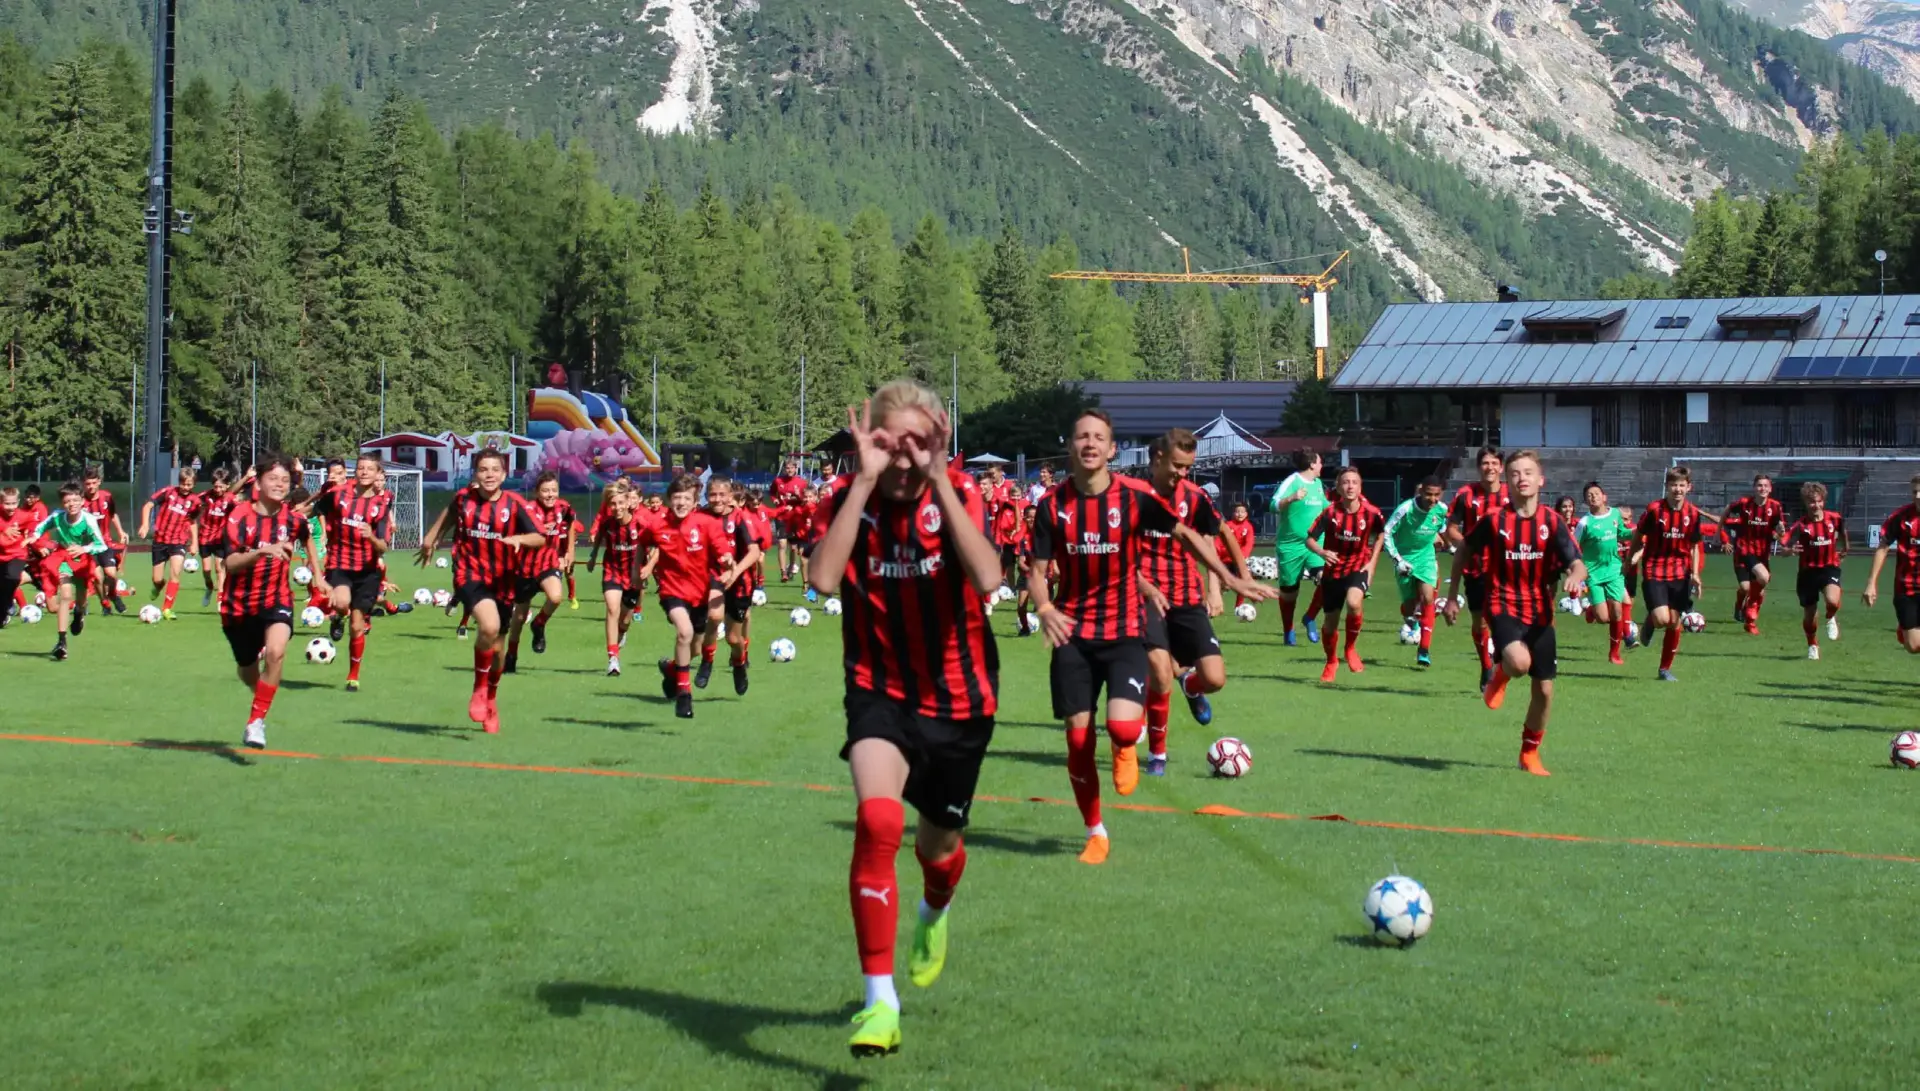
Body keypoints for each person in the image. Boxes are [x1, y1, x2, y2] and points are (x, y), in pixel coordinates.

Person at [809, 380, 1002, 1059]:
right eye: (890, 440)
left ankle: (934, 908)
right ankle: (879, 1000)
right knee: (878, 820)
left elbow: (987, 578)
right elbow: (823, 581)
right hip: (878, 688)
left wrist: (942, 478)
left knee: (937, 848)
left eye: (917, 440)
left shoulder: (958, 496)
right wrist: (859, 485)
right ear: (872, 441)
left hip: (959, 697)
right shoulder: (848, 500)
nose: (902, 454)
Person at [1028, 410, 1270, 864]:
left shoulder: (1133, 498)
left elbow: (1188, 533)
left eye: (1099, 437)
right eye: (1082, 436)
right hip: (1074, 633)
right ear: (1071, 445)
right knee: (1078, 741)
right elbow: (1037, 571)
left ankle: (1127, 745)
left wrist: (1230, 579)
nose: (1090, 443)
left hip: (1123, 629)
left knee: (1121, 726)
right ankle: (1096, 832)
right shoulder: (1051, 505)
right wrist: (1044, 608)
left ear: (1112, 448)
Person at [1443, 450, 1586, 776]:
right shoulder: (1495, 522)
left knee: (1545, 691)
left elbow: (1575, 561)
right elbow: (1464, 547)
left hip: (1540, 612)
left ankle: (1529, 753)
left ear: (1540, 480)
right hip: (1502, 604)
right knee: (1520, 662)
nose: (1522, 478)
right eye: (1515, 473)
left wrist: (1576, 576)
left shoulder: (1552, 521)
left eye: (1528, 472)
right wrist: (1451, 597)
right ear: (1508, 481)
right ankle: (1503, 672)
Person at [1136, 429, 1243, 775]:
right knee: (1159, 671)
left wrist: (1216, 588)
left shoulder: (1195, 497)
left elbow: (1214, 536)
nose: (1183, 473)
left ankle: (1191, 686)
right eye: (1178, 466)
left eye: (1188, 467)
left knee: (1214, 678)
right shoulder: (1132, 495)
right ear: (1157, 459)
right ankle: (1158, 756)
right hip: (1145, 596)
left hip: (1187, 596)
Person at [416, 450, 545, 733]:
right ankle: (478, 689)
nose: (489, 474)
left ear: (504, 474)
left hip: (504, 580)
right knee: (488, 626)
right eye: (483, 469)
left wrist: (518, 539)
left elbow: (539, 536)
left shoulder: (514, 504)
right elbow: (450, 513)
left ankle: (491, 698)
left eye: (494, 469)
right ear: (475, 473)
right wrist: (431, 537)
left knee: (498, 649)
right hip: (470, 574)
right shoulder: (464, 499)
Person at [219, 459, 327, 748]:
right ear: (258, 483)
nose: (280, 484)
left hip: (275, 599)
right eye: (273, 478)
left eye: (285, 480)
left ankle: (256, 721)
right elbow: (230, 564)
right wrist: (261, 552)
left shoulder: (293, 519)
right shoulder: (238, 516)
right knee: (247, 669)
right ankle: (261, 698)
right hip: (237, 605)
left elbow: (308, 540)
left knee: (276, 653)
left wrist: (318, 575)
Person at [642, 474, 733, 719]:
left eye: (686, 498)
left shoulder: (706, 524)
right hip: (671, 591)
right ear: (669, 500)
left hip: (700, 593)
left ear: (694, 503)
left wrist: (726, 559)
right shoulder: (657, 524)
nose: (681, 503)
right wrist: (639, 571)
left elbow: (721, 547)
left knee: (694, 647)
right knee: (684, 632)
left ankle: (672, 670)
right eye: (676, 498)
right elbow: (642, 542)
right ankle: (684, 695)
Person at [309, 454, 394, 691]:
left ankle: (353, 675)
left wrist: (372, 537)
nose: (364, 472)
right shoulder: (338, 494)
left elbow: (384, 545)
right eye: (360, 468)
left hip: (367, 571)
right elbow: (316, 508)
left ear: (378, 474)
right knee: (341, 602)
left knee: (357, 626)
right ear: (354, 472)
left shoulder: (382, 503)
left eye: (369, 469)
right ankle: (337, 616)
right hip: (340, 563)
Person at [1306, 466, 1385, 683]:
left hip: (1358, 567)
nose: (1350, 486)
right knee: (1330, 623)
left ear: (1360, 487)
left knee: (1354, 602)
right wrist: (1322, 552)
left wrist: (1372, 563)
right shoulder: (1330, 513)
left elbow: (1381, 535)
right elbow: (1310, 538)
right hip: (1333, 572)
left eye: (1354, 482)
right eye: (1345, 482)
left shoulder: (1371, 513)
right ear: (1339, 487)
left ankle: (1350, 648)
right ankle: (1331, 661)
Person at [1629, 467, 1705, 682]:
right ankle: (1652, 620)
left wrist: (1695, 574)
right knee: (1662, 618)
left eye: (1682, 485)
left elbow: (1694, 546)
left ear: (1689, 487)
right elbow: (1639, 536)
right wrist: (1630, 560)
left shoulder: (1693, 514)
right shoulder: (1654, 510)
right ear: (1667, 487)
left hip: (1680, 572)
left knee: (1673, 622)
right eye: (1673, 485)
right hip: (1655, 569)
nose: (1677, 490)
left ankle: (1664, 669)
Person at [1447, 447, 1509, 689]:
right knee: (1479, 622)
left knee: (1503, 620)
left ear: (1501, 468)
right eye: (1485, 463)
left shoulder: (1511, 494)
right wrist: (1466, 545)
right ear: (1478, 467)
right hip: (1475, 568)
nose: (1490, 467)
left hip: (1506, 569)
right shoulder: (1465, 495)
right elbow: (1450, 527)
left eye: (1494, 463)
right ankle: (1486, 666)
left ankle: (1503, 660)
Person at [504, 471, 578, 673]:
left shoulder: (563, 507)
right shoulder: (527, 510)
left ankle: (538, 624)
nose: (550, 494)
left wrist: (569, 551)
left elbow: (570, 523)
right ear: (537, 492)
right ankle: (511, 655)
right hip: (525, 568)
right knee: (518, 616)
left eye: (554, 490)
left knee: (555, 598)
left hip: (549, 564)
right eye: (545, 491)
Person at [27, 483, 112, 658]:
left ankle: (79, 614)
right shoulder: (57, 516)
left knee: (80, 601)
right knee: (65, 595)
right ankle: (61, 642)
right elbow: (40, 527)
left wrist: (84, 549)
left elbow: (101, 544)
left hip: (82, 561)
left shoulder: (88, 520)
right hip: (64, 558)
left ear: (82, 501)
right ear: (62, 504)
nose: (71, 504)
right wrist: (33, 537)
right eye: (67, 501)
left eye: (75, 500)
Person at [697, 473, 763, 693]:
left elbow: (754, 552)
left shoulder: (739, 518)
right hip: (713, 578)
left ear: (730, 496)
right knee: (714, 618)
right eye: (712, 494)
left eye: (721, 494)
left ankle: (739, 665)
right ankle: (707, 663)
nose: (716, 499)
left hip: (740, 582)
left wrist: (735, 573)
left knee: (734, 638)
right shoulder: (700, 516)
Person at [585, 480, 656, 675]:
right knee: (612, 609)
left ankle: (622, 633)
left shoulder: (640, 524)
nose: (616, 508)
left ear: (628, 503)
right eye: (612, 504)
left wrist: (649, 566)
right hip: (612, 571)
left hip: (633, 575)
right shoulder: (608, 524)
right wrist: (592, 557)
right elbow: (599, 536)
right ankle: (613, 659)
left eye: (620, 503)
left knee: (625, 620)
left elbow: (657, 546)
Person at [1381, 476, 1449, 668]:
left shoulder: (1442, 510)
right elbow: (1387, 532)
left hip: (1426, 558)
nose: (1433, 499)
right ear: (1421, 492)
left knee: (1428, 598)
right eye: (1429, 494)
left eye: (1437, 495)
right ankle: (1412, 620)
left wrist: (1447, 544)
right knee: (1409, 607)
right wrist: (1398, 560)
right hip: (1405, 559)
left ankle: (1424, 650)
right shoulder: (1406, 509)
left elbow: (1442, 527)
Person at [1268, 447, 1329, 645]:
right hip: (1290, 546)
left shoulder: (1319, 484)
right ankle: (1288, 630)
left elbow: (1327, 508)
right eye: (1320, 462)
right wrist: (1290, 498)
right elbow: (1272, 504)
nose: (1322, 466)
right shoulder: (1292, 481)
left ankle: (1310, 617)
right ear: (1312, 464)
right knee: (1289, 594)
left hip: (1315, 543)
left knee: (1326, 580)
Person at [1720, 474, 1786, 634]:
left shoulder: (1775, 507)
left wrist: (1780, 533)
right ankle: (1745, 610)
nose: (1762, 488)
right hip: (1744, 550)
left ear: (1770, 489)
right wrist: (1719, 532)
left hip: (1762, 554)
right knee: (1752, 583)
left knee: (1757, 589)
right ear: (1754, 488)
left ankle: (1748, 621)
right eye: (1759, 485)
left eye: (1765, 486)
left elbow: (1779, 529)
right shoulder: (1744, 504)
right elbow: (1728, 509)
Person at [1575, 482, 1633, 665]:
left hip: (1614, 569)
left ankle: (1614, 654)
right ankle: (1592, 609)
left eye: (1596, 493)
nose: (1593, 497)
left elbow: (1622, 533)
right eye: (1589, 495)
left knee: (1617, 610)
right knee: (1603, 618)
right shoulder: (1584, 523)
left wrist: (1638, 532)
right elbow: (1574, 546)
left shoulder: (1615, 514)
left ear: (1604, 496)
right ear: (1586, 501)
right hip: (1593, 573)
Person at [1788, 481, 1846, 659]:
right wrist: (1789, 550)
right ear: (1806, 503)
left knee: (1832, 601)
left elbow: (1843, 533)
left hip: (1829, 568)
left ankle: (1830, 617)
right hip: (1807, 573)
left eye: (1819, 501)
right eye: (1812, 502)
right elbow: (1784, 542)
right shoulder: (1801, 525)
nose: (1816, 505)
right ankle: (1812, 644)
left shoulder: (1834, 518)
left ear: (1824, 501)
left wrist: (1845, 550)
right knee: (1810, 615)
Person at [138, 466, 202, 620]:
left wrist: (194, 543)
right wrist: (145, 525)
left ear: (194, 484)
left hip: (178, 541)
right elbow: (148, 505)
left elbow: (192, 521)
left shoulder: (195, 502)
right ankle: (158, 586)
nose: (186, 488)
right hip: (160, 540)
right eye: (183, 484)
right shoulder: (168, 492)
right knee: (157, 579)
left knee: (176, 573)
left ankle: (167, 609)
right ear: (179, 482)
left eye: (189, 485)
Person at [1866, 475, 1920, 654]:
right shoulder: (1900, 517)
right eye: (1915, 492)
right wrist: (1871, 583)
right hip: (1906, 587)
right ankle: (1904, 632)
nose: (1918, 495)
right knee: (1913, 646)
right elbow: (1883, 547)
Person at [78, 466, 129, 614]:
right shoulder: (80, 502)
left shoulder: (106, 497)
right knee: (98, 578)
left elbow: (113, 514)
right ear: (83, 484)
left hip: (104, 543)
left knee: (111, 575)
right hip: (87, 546)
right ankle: (105, 603)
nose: (91, 487)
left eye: (93, 483)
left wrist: (120, 531)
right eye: (88, 484)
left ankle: (113, 595)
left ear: (99, 482)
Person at [194, 469, 240, 607]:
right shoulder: (205, 496)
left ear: (227, 486)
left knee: (220, 569)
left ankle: (220, 599)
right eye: (215, 486)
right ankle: (209, 588)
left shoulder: (231, 499)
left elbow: (242, 511)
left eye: (221, 486)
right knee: (206, 571)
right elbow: (192, 503)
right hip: (205, 538)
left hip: (220, 538)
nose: (218, 489)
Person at [1, 487, 39, 621]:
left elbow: (35, 527)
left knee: (13, 577)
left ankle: (8, 603)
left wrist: (33, 537)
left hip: (17, 554)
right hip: (1, 555)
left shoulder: (24, 515)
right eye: (6, 503)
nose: (10, 507)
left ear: (18, 502)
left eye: (13, 503)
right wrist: (5, 529)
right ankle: (5, 610)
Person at [1212, 500, 1258, 609]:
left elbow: (1249, 543)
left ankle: (1238, 606)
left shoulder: (1248, 527)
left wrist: (1243, 555)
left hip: (1239, 560)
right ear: (1233, 513)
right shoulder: (1227, 525)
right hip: (1225, 560)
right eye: (1237, 511)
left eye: (1242, 512)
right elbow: (1218, 541)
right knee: (1222, 584)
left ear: (1246, 514)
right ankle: (1217, 602)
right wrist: (1216, 552)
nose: (1240, 514)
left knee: (1242, 583)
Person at [772, 458, 808, 581]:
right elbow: (772, 493)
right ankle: (783, 573)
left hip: (795, 518)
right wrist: (775, 500)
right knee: (782, 544)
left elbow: (805, 499)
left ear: (796, 468)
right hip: (782, 516)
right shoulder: (778, 481)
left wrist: (798, 495)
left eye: (792, 468)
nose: (789, 470)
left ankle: (791, 566)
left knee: (793, 548)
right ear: (784, 469)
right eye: (787, 468)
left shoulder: (802, 482)